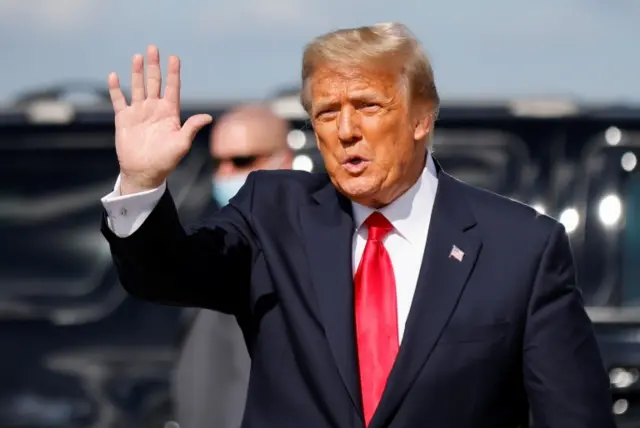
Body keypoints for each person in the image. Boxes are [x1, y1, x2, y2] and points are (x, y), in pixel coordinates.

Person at [101, 23, 616, 428]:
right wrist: (141, 183)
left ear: (421, 118)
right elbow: (166, 273)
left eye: (367, 106)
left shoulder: (520, 248)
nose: (346, 131)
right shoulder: (274, 216)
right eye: (326, 113)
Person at [172, 104, 292, 428]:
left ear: (284, 159)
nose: (225, 174)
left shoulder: (307, 244)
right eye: (217, 163)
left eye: (241, 161)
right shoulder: (212, 238)